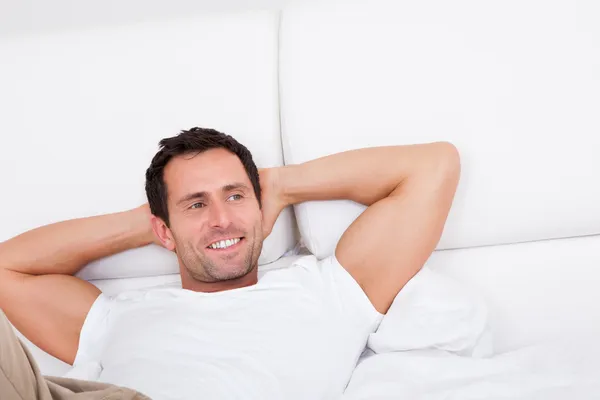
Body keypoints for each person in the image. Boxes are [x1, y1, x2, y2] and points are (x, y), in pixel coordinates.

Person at [0, 127, 460, 400]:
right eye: (196, 205)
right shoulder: (117, 315)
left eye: (235, 196)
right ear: (163, 231)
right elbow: (6, 268)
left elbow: (434, 165)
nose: (222, 220)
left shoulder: (330, 290)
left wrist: (281, 185)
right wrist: (154, 222)